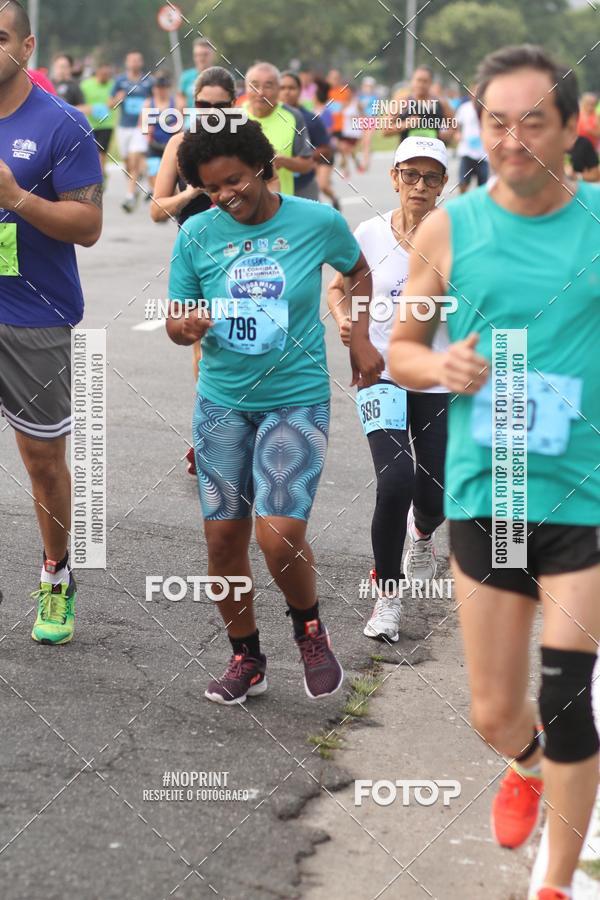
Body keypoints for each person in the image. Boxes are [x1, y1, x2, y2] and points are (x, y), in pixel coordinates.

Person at [388, 45, 600, 900]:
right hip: (493, 491)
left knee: (565, 697)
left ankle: (553, 881)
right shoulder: (452, 227)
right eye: (496, 123)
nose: (513, 140)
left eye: (534, 122)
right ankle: (525, 766)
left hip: (583, 487)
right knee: (496, 713)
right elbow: (401, 349)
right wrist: (443, 370)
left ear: (573, 126)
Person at [166, 118, 379, 704]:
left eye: (234, 180)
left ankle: (309, 628)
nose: (225, 196)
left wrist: (358, 336)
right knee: (224, 544)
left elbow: (358, 271)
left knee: (279, 536)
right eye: (212, 189)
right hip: (223, 403)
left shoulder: (317, 221)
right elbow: (175, 320)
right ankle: (247, 658)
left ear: (262, 166)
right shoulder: (197, 235)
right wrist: (185, 326)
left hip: (295, 396)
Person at [0, 1, 103, 644]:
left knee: (41, 458)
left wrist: (15, 199)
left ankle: (57, 574)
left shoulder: (63, 124)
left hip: (34, 314)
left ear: (26, 47)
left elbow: (88, 227)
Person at [327, 136, 449, 643]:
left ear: (443, 185)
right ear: (394, 177)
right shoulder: (369, 233)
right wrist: (348, 326)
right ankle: (388, 597)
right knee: (395, 478)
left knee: (436, 488)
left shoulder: (455, 238)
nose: (420, 186)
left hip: (437, 373)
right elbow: (338, 287)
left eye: (432, 177)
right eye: (411, 175)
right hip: (379, 371)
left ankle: (422, 536)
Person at [151, 66, 237, 475]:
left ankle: (233, 429)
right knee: (203, 347)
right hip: (198, 255)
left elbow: (270, 197)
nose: (212, 113)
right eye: (204, 106)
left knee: (243, 342)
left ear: (234, 107)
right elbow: (156, 209)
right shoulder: (180, 143)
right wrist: (193, 192)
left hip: (242, 255)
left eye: (221, 106)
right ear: (193, 104)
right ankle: (209, 435)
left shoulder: (247, 143)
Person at [243, 62, 314, 196]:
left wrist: (281, 160)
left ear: (278, 89)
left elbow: (307, 164)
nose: (261, 92)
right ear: (246, 88)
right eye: (254, 86)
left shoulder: (293, 116)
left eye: (268, 86)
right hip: (243, 204)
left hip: (280, 205)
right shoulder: (234, 117)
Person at [110, 51, 154, 213]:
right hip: (124, 126)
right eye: (131, 60)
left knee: (136, 159)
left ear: (141, 63)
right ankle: (134, 187)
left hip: (140, 126)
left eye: (137, 60)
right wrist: (117, 99)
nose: (134, 63)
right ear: (127, 63)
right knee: (128, 162)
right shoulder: (120, 81)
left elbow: (156, 100)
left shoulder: (149, 81)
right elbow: (110, 103)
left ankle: (130, 195)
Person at [279, 70, 332, 201]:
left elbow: (326, 150)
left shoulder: (311, 119)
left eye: (291, 88)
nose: (287, 92)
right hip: (276, 185)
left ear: (299, 90)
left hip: (304, 184)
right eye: (282, 88)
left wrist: (302, 158)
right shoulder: (267, 117)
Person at [385, 65, 454, 144]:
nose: (421, 84)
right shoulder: (401, 102)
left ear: (431, 82)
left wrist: (447, 134)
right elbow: (386, 130)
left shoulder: (441, 103)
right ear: (412, 81)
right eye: (418, 80)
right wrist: (406, 124)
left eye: (425, 81)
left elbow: (453, 125)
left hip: (433, 153)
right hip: (408, 153)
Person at [143, 70, 178, 199]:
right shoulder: (148, 103)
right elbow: (143, 124)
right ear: (154, 89)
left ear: (167, 89)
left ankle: (168, 197)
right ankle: (158, 197)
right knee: (153, 171)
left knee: (171, 175)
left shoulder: (176, 103)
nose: (160, 91)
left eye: (163, 88)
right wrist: (147, 131)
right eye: (158, 88)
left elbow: (180, 126)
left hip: (170, 145)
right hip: (154, 144)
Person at [80, 61, 116, 178]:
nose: (105, 76)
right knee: (90, 153)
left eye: (108, 74)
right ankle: (95, 174)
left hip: (106, 124)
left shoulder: (113, 85)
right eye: (103, 74)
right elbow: (80, 103)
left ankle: (99, 176)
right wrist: (90, 109)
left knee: (101, 153)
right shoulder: (86, 85)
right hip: (89, 124)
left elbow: (117, 100)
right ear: (98, 72)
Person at [313, 77, 340, 210]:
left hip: (325, 153)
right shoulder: (310, 111)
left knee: (322, 185)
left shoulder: (327, 113)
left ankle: (334, 199)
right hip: (311, 153)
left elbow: (328, 133)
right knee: (314, 185)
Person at [456, 89, 489, 193]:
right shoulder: (464, 108)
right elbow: (456, 125)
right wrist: (457, 134)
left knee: (483, 186)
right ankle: (462, 203)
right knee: (463, 182)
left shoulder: (489, 109)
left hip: (483, 153)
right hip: (467, 152)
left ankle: (481, 207)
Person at [177, 38, 216, 111]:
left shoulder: (223, 77)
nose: (201, 58)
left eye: (205, 55)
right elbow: (180, 107)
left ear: (213, 55)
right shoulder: (186, 77)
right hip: (191, 120)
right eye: (197, 55)